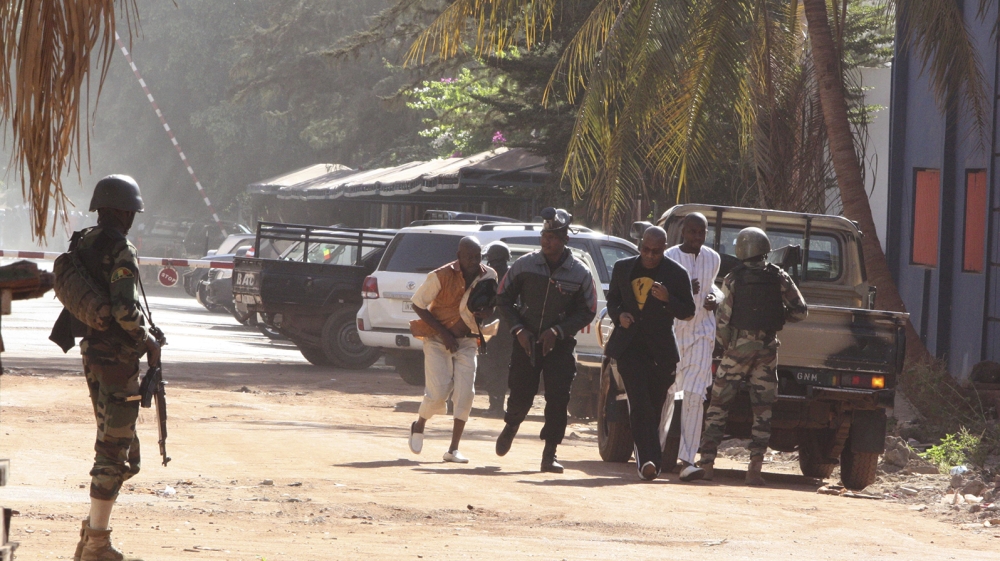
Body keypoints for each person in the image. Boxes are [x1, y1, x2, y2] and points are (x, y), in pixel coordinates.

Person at [72, 175, 160, 561]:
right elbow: (125, 310)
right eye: (132, 212)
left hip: (92, 352)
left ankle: (91, 533)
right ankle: (96, 545)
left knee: (112, 445)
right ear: (124, 211)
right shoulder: (121, 249)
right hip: (117, 360)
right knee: (114, 451)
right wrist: (148, 340)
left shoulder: (84, 242)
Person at [695, 227, 807, 486]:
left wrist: (724, 346)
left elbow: (723, 319)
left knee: (718, 408)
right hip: (766, 351)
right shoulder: (779, 277)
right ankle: (754, 470)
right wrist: (777, 319)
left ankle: (707, 465)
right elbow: (801, 311)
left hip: (736, 351)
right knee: (763, 412)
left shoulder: (733, 279)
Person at [494, 208, 598, 473]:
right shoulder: (524, 265)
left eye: (552, 236)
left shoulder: (580, 273)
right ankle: (511, 425)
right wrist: (518, 329)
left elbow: (588, 310)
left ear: (564, 238)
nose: (546, 240)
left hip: (560, 346)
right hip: (525, 342)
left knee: (558, 398)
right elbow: (503, 297)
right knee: (521, 395)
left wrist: (559, 331)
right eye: (544, 234)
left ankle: (549, 453)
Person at [605, 226, 695, 480]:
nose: (650, 255)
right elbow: (612, 301)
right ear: (640, 245)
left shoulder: (676, 273)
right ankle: (647, 461)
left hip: (661, 352)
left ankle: (651, 459)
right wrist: (618, 315)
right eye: (646, 249)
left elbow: (688, 311)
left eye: (656, 251)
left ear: (664, 248)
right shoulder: (623, 268)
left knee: (654, 408)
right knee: (640, 402)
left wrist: (668, 299)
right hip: (628, 347)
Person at [408, 236, 497, 463]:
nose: (474, 261)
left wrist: (487, 312)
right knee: (439, 393)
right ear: (459, 257)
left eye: (478, 257)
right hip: (438, 339)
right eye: (469, 257)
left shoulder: (489, 275)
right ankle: (419, 425)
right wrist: (445, 333)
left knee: (466, 393)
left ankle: (453, 449)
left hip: (468, 341)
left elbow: (491, 303)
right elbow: (417, 303)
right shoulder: (441, 276)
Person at [660, 213, 722, 482]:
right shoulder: (670, 257)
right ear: (683, 231)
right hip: (673, 332)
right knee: (667, 393)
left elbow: (715, 287)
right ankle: (654, 453)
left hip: (702, 332)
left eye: (702, 232)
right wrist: (682, 290)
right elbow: (659, 291)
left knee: (695, 395)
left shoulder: (713, 258)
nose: (697, 237)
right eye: (693, 232)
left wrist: (714, 297)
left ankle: (688, 460)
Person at [476, 242, 512, 417]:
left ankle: (496, 405)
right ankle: (498, 405)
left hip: (492, 330)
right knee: (503, 368)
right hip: (510, 330)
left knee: (490, 367)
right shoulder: (513, 275)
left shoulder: (489, 276)